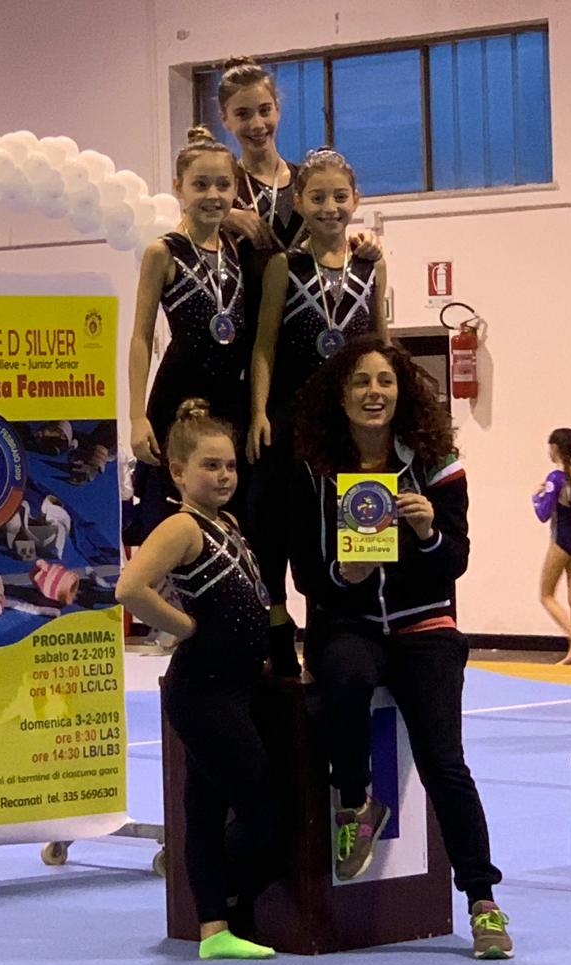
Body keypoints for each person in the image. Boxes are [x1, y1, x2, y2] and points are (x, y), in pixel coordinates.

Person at [290, 337, 512, 960]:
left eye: (385, 381)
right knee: (345, 678)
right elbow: (305, 571)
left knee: (445, 761)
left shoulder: (438, 464)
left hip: (424, 624)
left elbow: (456, 560)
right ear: (340, 395)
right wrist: (343, 576)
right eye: (361, 382)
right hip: (349, 622)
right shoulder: (314, 468)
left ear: (402, 391)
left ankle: (483, 902)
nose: (374, 393)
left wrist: (428, 531)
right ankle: (356, 804)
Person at [116, 399, 277, 960]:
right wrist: (182, 626)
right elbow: (129, 588)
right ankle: (224, 898)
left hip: (231, 687)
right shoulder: (181, 527)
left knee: (205, 811)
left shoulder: (226, 524)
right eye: (211, 466)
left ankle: (214, 927)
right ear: (178, 472)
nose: (224, 475)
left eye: (230, 465)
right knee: (260, 811)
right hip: (203, 690)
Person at [246, 148, 389, 677]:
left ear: (356, 200)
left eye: (340, 196)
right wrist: (259, 412)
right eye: (318, 197)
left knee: (347, 530)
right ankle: (278, 634)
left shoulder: (371, 265)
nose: (330, 207)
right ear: (300, 203)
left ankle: (343, 635)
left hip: (350, 427)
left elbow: (382, 346)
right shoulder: (286, 266)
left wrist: (389, 413)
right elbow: (264, 346)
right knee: (281, 529)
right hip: (291, 419)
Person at [127, 127, 249, 539]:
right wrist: (137, 416)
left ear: (236, 189)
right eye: (200, 185)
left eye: (223, 185)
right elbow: (141, 337)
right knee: (172, 517)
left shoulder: (238, 249)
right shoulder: (163, 252)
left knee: (230, 515)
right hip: (175, 397)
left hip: (230, 399)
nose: (213, 195)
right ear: (178, 187)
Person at [217, 57, 380, 327]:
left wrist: (363, 242)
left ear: (278, 109)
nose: (257, 124)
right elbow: (185, 235)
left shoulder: (307, 181)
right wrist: (224, 215)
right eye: (243, 114)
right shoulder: (222, 190)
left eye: (265, 110)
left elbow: (332, 233)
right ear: (225, 119)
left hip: (311, 326)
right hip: (250, 330)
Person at [531, 427, 571, 663]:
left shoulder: (556, 478)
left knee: (546, 594)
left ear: (555, 448)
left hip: (562, 540)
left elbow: (543, 514)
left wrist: (536, 497)